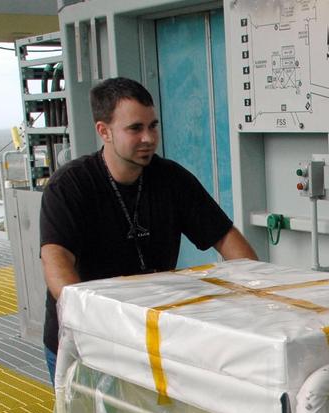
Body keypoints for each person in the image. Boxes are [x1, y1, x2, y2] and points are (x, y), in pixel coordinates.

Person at [39, 77, 257, 381]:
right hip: (86, 342)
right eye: (135, 129)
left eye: (152, 126)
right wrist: (91, 322)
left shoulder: (171, 179)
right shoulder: (70, 186)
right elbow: (56, 263)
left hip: (146, 336)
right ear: (104, 131)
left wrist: (256, 294)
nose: (148, 138)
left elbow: (225, 237)